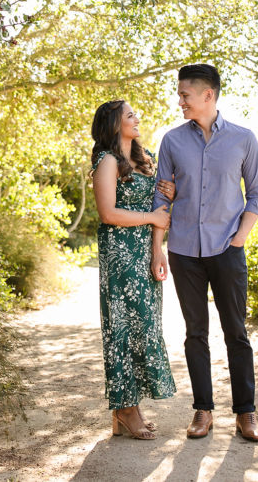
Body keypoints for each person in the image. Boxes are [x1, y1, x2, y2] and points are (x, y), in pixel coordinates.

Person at [151, 64, 258, 442]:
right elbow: (160, 199)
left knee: (237, 332)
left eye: (184, 94)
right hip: (184, 250)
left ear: (207, 96)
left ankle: (245, 414)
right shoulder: (171, 141)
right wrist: (159, 248)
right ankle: (203, 411)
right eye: (180, 94)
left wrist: (239, 239)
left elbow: (257, 194)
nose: (180, 101)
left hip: (227, 249)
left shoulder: (243, 139)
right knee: (195, 333)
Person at [91, 99, 176, 440]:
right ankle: (126, 410)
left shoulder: (145, 159)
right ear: (114, 124)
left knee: (145, 327)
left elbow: (160, 206)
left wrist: (159, 246)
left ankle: (128, 409)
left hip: (144, 253)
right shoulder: (107, 161)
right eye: (129, 115)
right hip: (120, 257)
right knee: (122, 329)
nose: (137, 118)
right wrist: (152, 217)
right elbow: (108, 213)